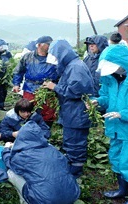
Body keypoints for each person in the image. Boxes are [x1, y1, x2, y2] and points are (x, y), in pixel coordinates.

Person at [88, 44, 128, 203]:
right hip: (115, 129)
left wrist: (123, 114)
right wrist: (97, 102)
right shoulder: (110, 79)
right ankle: (123, 190)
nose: (114, 72)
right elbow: (107, 98)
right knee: (116, 159)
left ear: (124, 63)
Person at [42, 39, 94, 178]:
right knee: (71, 140)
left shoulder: (76, 67)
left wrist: (55, 87)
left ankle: (75, 171)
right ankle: (71, 162)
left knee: (75, 141)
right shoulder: (71, 65)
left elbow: (76, 91)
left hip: (77, 112)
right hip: (71, 111)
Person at [2, 121, 80, 204]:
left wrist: (6, 150)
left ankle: (25, 201)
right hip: (73, 194)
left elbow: (9, 162)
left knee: (11, 172)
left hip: (44, 200)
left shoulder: (22, 155)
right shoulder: (53, 150)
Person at [12, 35, 58, 127]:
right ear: (40, 45)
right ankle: (29, 130)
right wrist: (16, 84)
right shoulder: (27, 57)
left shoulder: (54, 58)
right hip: (30, 88)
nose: (50, 46)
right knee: (28, 110)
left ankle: (45, 131)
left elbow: (60, 73)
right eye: (48, 44)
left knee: (48, 113)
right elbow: (18, 71)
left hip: (48, 90)